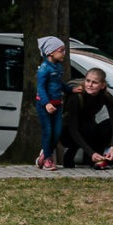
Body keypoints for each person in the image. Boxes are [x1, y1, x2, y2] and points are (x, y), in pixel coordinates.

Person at [60, 67, 113, 169]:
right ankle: (71, 155)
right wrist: (91, 152)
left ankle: (99, 158)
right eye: (88, 81)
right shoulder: (76, 97)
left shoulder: (107, 97)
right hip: (68, 131)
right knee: (89, 127)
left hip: (88, 128)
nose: (90, 85)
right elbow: (73, 129)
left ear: (102, 85)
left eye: (94, 82)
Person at [35, 36, 69, 172]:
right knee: (48, 131)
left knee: (57, 132)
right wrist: (46, 103)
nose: (64, 53)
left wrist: (70, 89)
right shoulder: (44, 69)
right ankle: (48, 159)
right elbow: (41, 88)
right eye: (61, 50)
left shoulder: (58, 67)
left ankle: (44, 153)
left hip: (57, 105)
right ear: (50, 52)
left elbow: (59, 83)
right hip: (45, 106)